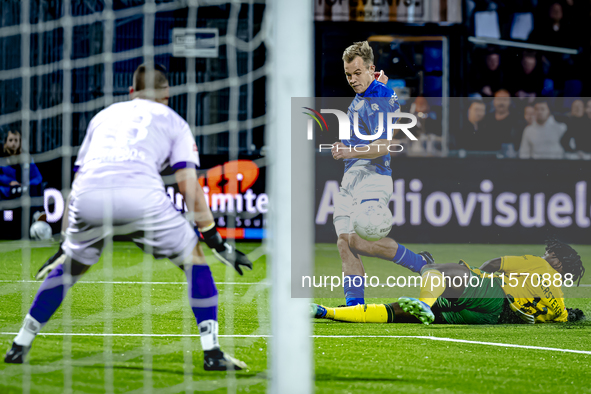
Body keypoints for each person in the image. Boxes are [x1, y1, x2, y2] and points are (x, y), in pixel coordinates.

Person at [5, 64, 253, 371]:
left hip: (88, 198)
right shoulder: (174, 120)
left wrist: (66, 243)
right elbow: (189, 185)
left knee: (71, 267)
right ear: (167, 94)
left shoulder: (103, 116)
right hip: (140, 196)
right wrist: (215, 241)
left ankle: (19, 344)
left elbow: (78, 181)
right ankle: (212, 351)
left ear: (131, 92)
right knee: (194, 258)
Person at [332, 41, 433, 307]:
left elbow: (384, 145)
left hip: (372, 175)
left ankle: (421, 263)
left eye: (357, 73)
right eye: (348, 74)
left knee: (360, 240)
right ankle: (355, 306)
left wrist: (348, 151)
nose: (352, 80)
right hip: (352, 176)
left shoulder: (376, 98)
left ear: (370, 69)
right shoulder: (372, 92)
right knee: (344, 242)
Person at [312, 238, 585, 325]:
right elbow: (555, 318)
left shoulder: (539, 264)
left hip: (493, 294)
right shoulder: (559, 305)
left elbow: (493, 264)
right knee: (408, 315)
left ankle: (426, 301)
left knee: (438, 272)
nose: (544, 255)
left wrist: (473, 275)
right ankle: (326, 312)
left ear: (557, 261)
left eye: (549, 253)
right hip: (494, 318)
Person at [0, 130, 43, 200]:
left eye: (16, 140)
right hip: (5, 191)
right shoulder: (1, 158)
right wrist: (9, 181)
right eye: (10, 140)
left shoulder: (27, 159)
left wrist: (25, 184)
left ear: (20, 143)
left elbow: (38, 177)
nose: (13, 143)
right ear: (6, 142)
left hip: (23, 191)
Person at [480, 89, 521, 154]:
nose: (501, 102)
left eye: (504, 100)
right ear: (494, 101)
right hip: (489, 156)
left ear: (510, 102)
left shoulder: (516, 120)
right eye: (499, 99)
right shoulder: (486, 119)